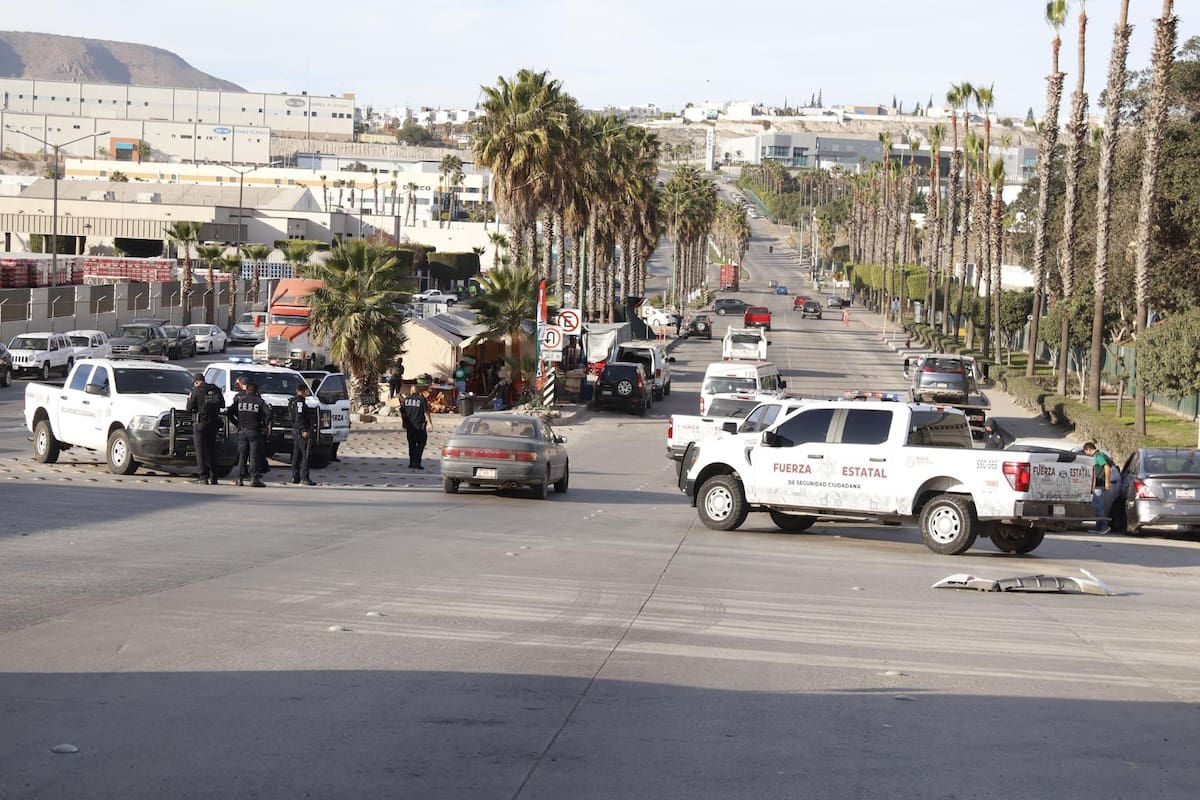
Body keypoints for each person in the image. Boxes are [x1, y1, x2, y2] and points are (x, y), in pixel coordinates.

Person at [228, 380, 270, 487]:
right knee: (254, 455)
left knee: (242, 455)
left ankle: (239, 478)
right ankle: (254, 478)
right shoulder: (259, 401)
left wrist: (237, 423)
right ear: (256, 391)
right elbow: (269, 414)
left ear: (246, 390)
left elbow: (229, 412)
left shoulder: (240, 401)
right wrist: (264, 424)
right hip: (254, 431)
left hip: (242, 431)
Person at [186, 373, 225, 485]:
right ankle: (214, 476)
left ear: (197, 382)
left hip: (201, 423)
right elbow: (222, 404)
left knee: (200, 451)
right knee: (212, 450)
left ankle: (203, 477)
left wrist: (190, 398)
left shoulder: (197, 391)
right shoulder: (216, 389)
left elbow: (189, 409)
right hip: (213, 423)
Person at [288, 381, 319, 486]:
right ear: (304, 391)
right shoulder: (300, 402)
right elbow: (299, 417)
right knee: (306, 454)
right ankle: (304, 478)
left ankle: (295, 476)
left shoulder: (292, 401)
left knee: (296, 454)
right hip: (301, 431)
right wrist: (304, 430)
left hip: (295, 430)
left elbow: (292, 417)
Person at [1082, 442, 1115, 533]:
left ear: (1089, 449)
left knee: (1098, 506)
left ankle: (1104, 526)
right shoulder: (1097, 456)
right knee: (1097, 506)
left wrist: (1107, 482)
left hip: (1099, 485)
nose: (1087, 455)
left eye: (1086, 453)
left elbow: (1107, 467)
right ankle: (1098, 526)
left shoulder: (1098, 456)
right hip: (1096, 485)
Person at [401, 380, 433, 470]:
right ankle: (417, 462)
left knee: (411, 444)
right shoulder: (422, 399)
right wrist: (430, 423)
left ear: (411, 391)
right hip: (419, 426)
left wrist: (404, 423)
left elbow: (403, 413)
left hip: (409, 426)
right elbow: (426, 412)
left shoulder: (406, 400)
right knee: (421, 443)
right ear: (419, 391)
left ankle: (411, 462)